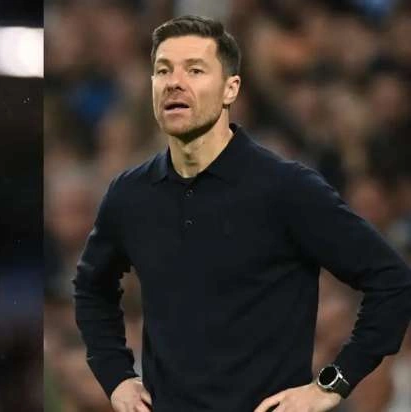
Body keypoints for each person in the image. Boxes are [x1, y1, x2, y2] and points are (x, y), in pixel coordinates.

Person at [73, 15, 411, 412]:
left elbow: (392, 282)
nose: (174, 82)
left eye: (194, 70)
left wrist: (330, 385)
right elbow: (91, 289)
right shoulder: (130, 194)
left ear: (230, 89)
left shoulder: (287, 188)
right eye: (163, 70)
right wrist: (116, 376)